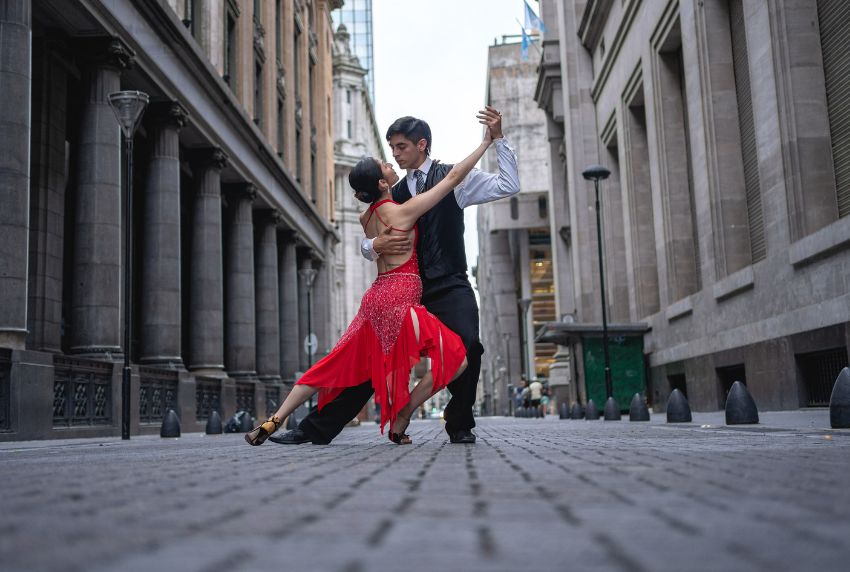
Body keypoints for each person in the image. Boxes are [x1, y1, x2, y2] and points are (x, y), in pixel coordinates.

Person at [270, 107, 520, 445]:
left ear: (422, 145)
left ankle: (459, 422)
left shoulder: (454, 178)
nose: (395, 154)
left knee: (469, 346)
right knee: (370, 362)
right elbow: (364, 237)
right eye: (391, 149)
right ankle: (313, 429)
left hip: (449, 284)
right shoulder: (392, 192)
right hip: (403, 292)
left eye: (400, 147)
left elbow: (509, 184)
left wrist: (498, 140)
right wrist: (374, 244)